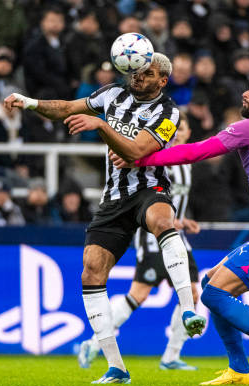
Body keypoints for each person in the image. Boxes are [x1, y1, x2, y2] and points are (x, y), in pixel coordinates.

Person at [4, 52, 205, 384]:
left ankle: (187, 309)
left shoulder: (168, 112)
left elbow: (138, 152)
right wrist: (28, 102)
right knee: (91, 269)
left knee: (163, 221)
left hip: (148, 188)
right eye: (136, 70)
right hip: (113, 198)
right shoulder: (112, 94)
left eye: (147, 73)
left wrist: (101, 125)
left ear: (162, 81)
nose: (139, 76)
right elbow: (66, 108)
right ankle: (116, 367)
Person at [111, 69, 249, 386]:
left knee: (214, 293)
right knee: (211, 282)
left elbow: (196, 151)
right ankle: (239, 369)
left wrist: (139, 159)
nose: (246, 93)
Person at [77, 113, 202, 371]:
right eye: (174, 129)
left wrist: (183, 220)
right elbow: (147, 193)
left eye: (183, 129)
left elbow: (172, 201)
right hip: (154, 237)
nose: (177, 133)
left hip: (178, 237)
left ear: (189, 133)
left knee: (192, 293)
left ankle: (171, 356)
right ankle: (94, 342)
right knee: (139, 293)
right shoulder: (158, 157)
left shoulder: (187, 162)